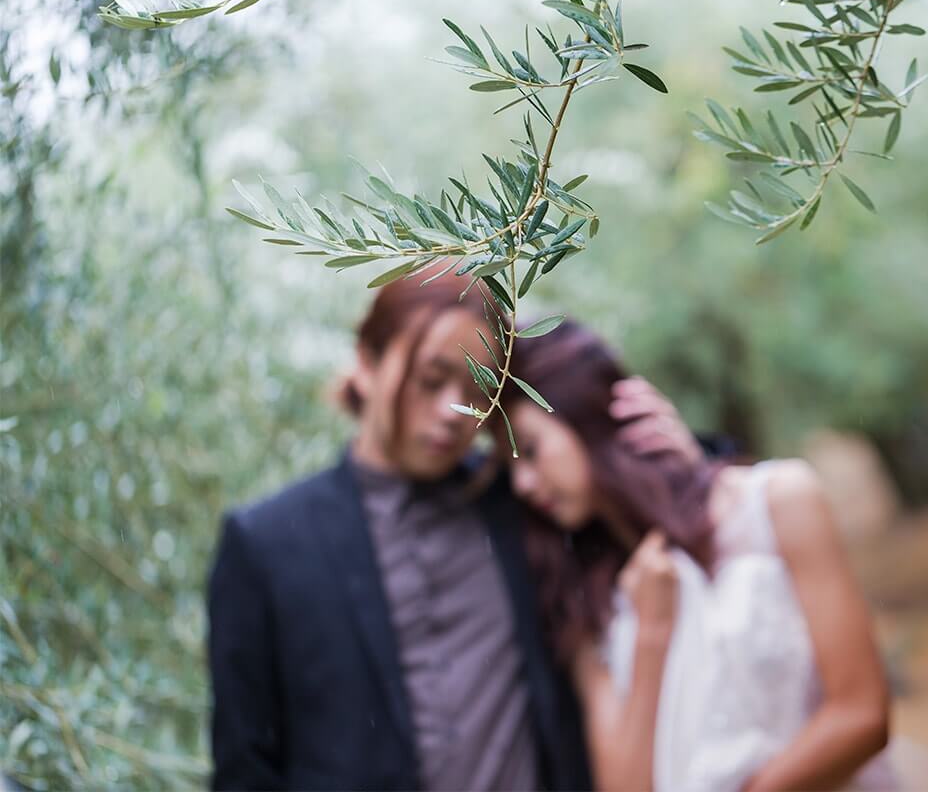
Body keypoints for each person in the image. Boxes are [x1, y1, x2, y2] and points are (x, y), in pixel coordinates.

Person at [206, 277, 698, 791]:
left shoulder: (518, 501)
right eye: (431, 379)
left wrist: (673, 461)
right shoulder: (267, 544)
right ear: (368, 361)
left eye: (476, 390)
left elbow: (613, 499)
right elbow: (245, 769)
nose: (453, 411)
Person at [503, 319, 898, 792]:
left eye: (530, 449)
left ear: (587, 421)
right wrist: (652, 635)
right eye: (509, 466)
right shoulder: (584, 599)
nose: (523, 484)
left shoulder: (777, 502)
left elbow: (863, 715)